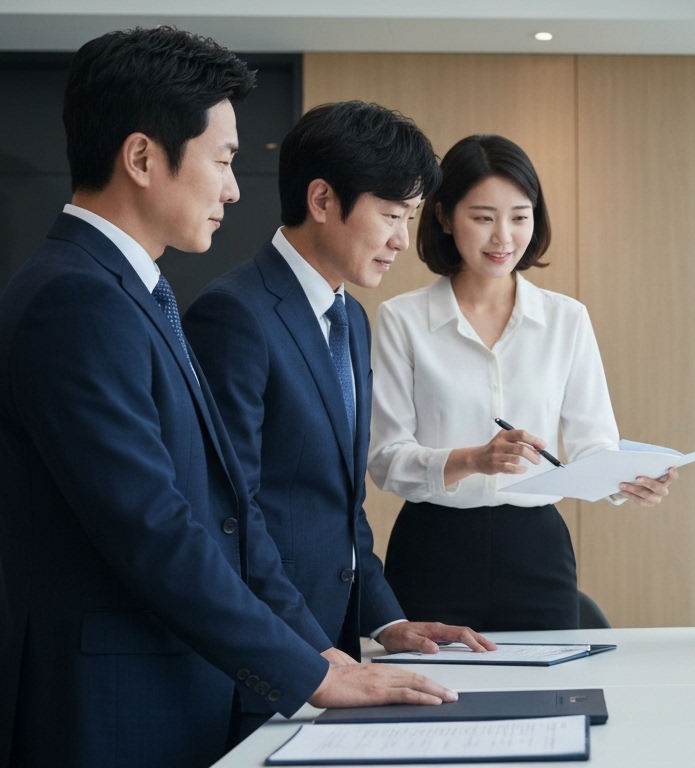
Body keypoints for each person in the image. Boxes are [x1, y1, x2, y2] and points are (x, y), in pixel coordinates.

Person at [0, 28, 454, 768]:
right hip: (112, 708)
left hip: (171, 686)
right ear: (144, 157)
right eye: (224, 160)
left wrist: (324, 650)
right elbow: (155, 529)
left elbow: (221, 513)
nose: (236, 188)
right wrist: (310, 667)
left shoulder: (131, 293)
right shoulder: (76, 303)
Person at [185, 101, 497, 738]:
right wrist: (309, 652)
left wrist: (385, 623)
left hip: (338, 654)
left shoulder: (350, 319)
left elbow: (341, 504)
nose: (401, 241)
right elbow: (232, 517)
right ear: (322, 198)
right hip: (271, 662)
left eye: (410, 218)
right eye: (389, 215)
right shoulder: (235, 315)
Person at [369, 134, 677, 632]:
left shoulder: (567, 319)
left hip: (537, 553)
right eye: (484, 217)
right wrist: (473, 459)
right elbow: (385, 461)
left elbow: (592, 444)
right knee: (432, 698)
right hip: (432, 550)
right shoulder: (401, 320)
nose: (503, 238)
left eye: (519, 216)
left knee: (552, 695)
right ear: (445, 217)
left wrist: (630, 480)